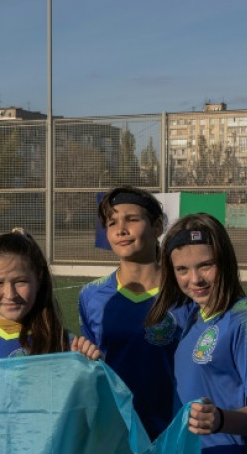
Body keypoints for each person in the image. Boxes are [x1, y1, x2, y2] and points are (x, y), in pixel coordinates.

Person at [146, 213, 247, 453]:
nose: (195, 279)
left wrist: (220, 420)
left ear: (225, 261)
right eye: (182, 269)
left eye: (206, 265)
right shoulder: (192, 316)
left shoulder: (246, 323)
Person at [78, 187, 184, 439]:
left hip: (175, 430)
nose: (121, 230)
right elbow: (93, 368)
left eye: (132, 219)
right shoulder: (91, 295)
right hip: (117, 431)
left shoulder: (184, 291)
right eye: (112, 222)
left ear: (157, 227)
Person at [0, 229, 100, 362]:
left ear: (38, 279)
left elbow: (91, 384)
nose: (10, 294)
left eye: (20, 281)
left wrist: (94, 365)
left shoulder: (67, 344)